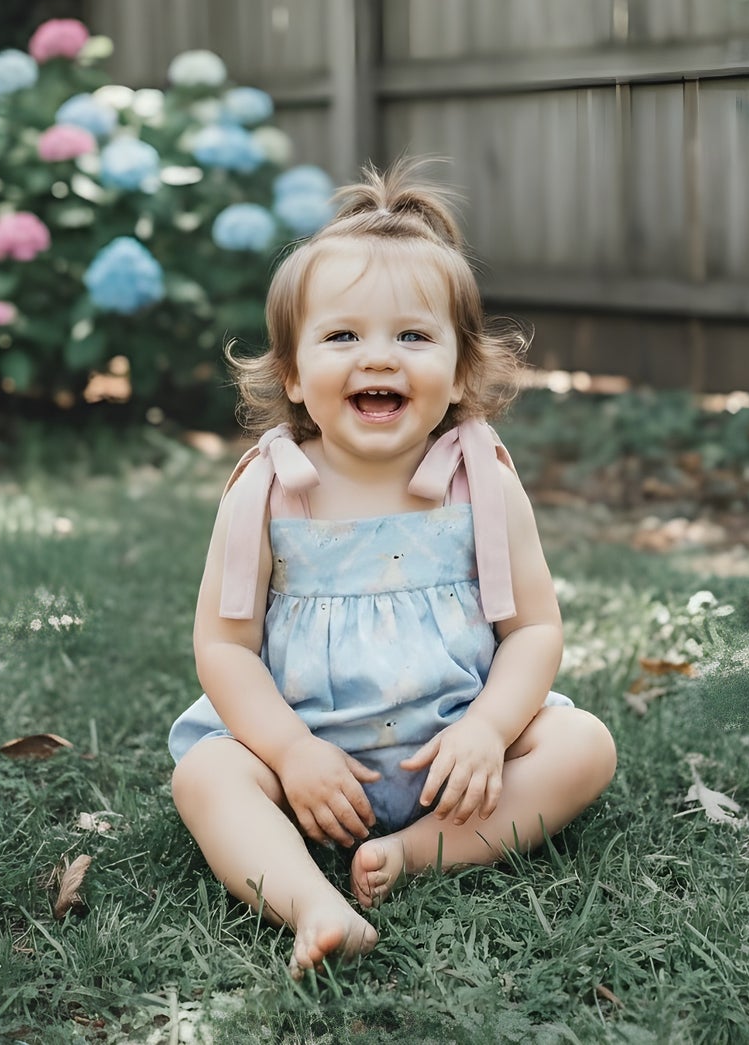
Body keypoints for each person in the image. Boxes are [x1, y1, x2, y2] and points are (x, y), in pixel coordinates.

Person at [168, 160, 618, 976]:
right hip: (302, 768)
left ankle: (417, 850)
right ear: (295, 374)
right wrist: (291, 753)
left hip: (457, 768)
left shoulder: (481, 479)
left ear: (459, 368)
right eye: (342, 336)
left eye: (413, 335)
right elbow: (225, 646)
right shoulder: (265, 492)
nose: (379, 357)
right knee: (205, 774)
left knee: (583, 743)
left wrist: (487, 729)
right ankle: (312, 900)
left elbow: (534, 627)